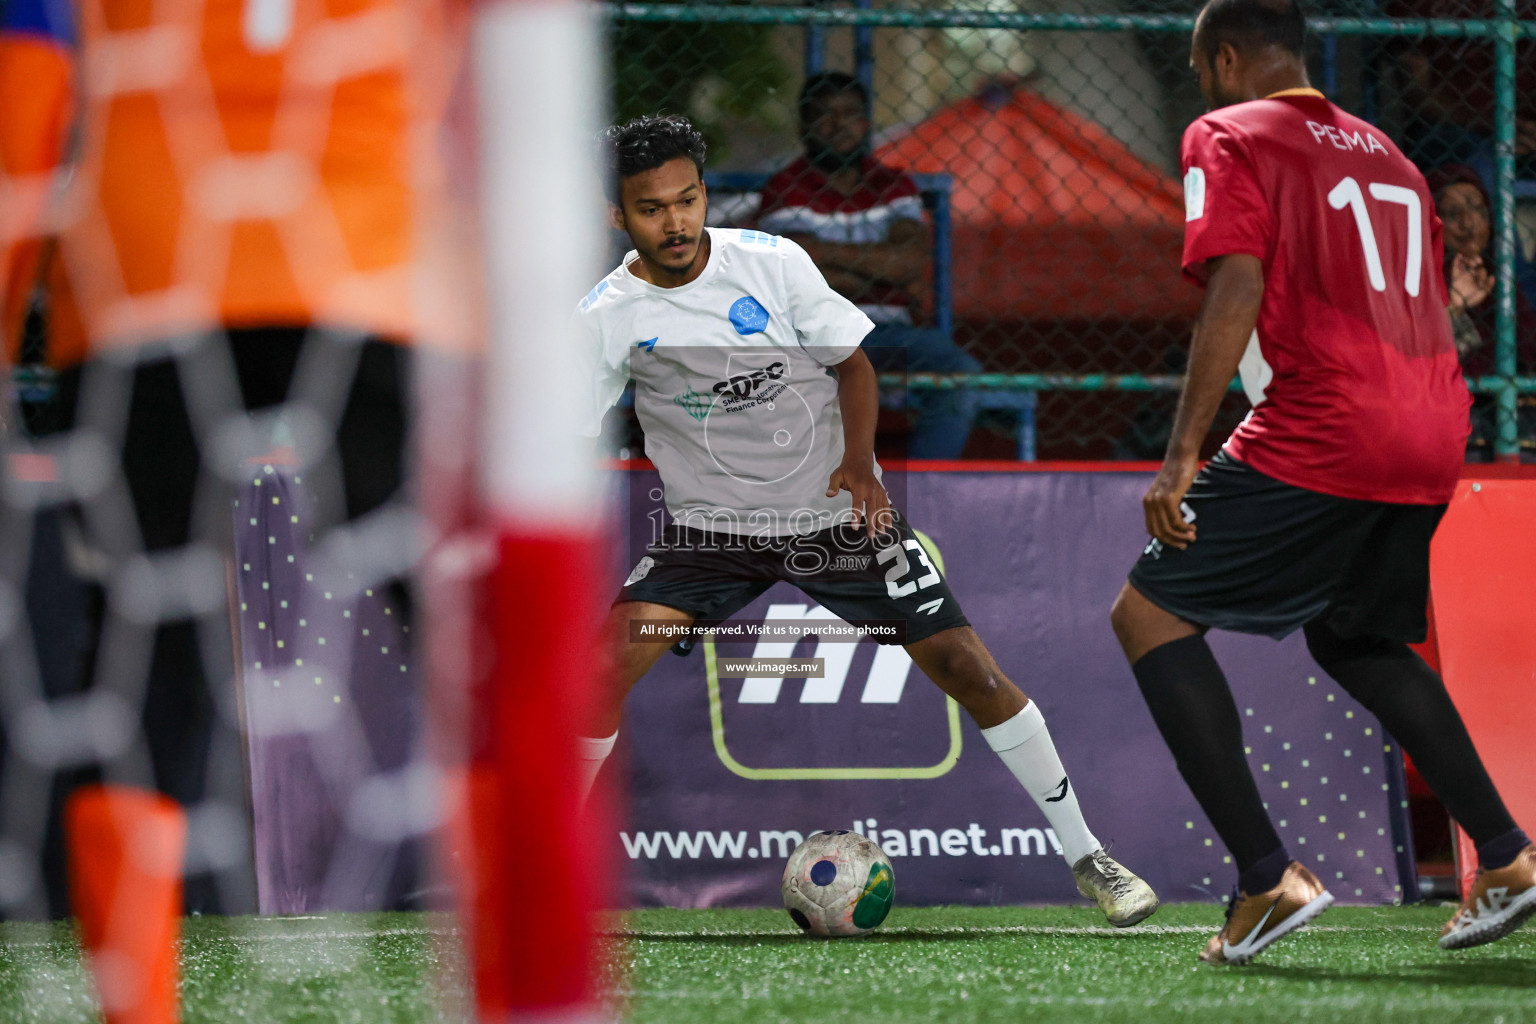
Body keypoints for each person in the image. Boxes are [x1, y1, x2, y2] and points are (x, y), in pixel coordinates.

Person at [576, 113, 1159, 926]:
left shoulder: (771, 263)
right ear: (618, 216)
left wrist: (857, 465)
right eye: (651, 208)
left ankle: (1088, 856)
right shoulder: (606, 315)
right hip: (711, 533)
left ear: (705, 193)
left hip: (834, 516)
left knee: (967, 667)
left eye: (687, 199)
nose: (676, 222)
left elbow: (853, 364)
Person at [1107, 0, 1535, 965]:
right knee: (1357, 638)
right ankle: (1506, 857)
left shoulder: (1226, 132)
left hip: (1328, 425)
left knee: (1147, 616)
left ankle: (1265, 880)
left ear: (1223, 59)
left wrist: (1183, 456)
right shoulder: (1391, 153)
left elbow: (1236, 281)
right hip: (1432, 429)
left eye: (1197, 65)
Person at [0, 0, 443, 915]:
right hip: (374, 263)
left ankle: (136, 996)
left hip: (145, 261)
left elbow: (25, 98)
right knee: (457, 627)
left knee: (148, 640)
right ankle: (528, 968)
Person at [757, 72, 982, 459]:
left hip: (891, 331)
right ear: (804, 125)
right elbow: (794, 281)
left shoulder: (894, 185)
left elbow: (908, 264)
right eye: (824, 114)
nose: (838, 124)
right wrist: (880, 266)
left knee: (960, 371)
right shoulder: (785, 187)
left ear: (866, 123)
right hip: (815, 335)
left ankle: (921, 504)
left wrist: (818, 254)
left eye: (850, 113)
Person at [1426, 163, 1536, 459]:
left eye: (1477, 209)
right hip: (1455, 408)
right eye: (1451, 214)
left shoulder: (1501, 277)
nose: (1469, 223)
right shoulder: (1423, 278)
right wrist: (1455, 308)